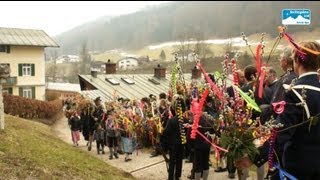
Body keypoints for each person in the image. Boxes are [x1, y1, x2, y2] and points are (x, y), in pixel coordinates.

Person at [236, 41, 320, 180]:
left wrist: (254, 157)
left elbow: (281, 133)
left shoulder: (294, 93)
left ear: (297, 61)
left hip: (298, 167)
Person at [163, 95, 187, 180]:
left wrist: (167, 143)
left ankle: (170, 177)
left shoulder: (171, 120)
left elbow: (166, 132)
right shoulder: (185, 120)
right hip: (181, 143)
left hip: (173, 145)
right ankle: (177, 176)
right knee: (179, 160)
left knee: (172, 161)